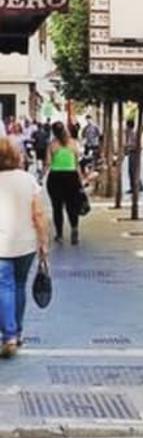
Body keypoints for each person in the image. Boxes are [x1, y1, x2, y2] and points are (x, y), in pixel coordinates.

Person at [0, 137, 50, 357]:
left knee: (4, 287)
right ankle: (17, 333)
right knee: (19, 285)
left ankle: (9, 335)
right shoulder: (28, 180)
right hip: (26, 243)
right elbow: (38, 214)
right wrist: (43, 242)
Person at [44, 122, 84, 245]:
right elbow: (77, 163)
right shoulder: (73, 143)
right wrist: (80, 180)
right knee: (72, 206)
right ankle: (74, 229)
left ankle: (60, 234)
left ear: (53, 132)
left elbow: (48, 163)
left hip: (55, 177)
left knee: (57, 207)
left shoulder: (52, 145)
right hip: (72, 177)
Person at [124, 119, 143, 194]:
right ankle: (137, 186)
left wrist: (128, 146)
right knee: (133, 170)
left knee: (133, 170)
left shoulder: (133, 134)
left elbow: (136, 145)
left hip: (134, 153)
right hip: (132, 153)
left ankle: (135, 187)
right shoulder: (130, 133)